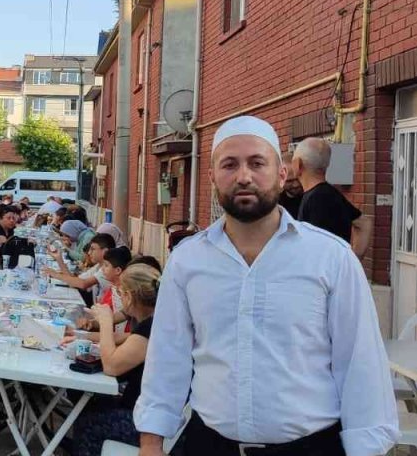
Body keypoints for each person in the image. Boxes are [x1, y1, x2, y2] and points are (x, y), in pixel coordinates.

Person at [133, 116, 398, 456]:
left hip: (309, 448)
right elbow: (167, 356)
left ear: (283, 173)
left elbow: (360, 363)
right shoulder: (188, 261)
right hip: (208, 445)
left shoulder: (330, 258)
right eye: (229, 164)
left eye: (257, 163)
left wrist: (366, 447)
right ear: (212, 176)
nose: (244, 176)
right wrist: (151, 441)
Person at [69, 264, 160, 455]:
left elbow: (111, 366)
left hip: (149, 424)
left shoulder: (152, 327)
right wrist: (77, 335)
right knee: (84, 400)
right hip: (148, 413)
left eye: (120, 292)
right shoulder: (154, 322)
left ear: (129, 296)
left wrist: (105, 321)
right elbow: (121, 340)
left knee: (88, 422)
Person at [293, 137, 367, 258]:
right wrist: (353, 260)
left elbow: (314, 250)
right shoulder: (330, 193)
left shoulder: (316, 199)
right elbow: (364, 223)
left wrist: (353, 261)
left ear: (298, 164)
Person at [44, 233, 116, 301]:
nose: (89, 252)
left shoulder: (107, 270)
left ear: (105, 252)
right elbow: (76, 281)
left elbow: (83, 284)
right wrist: (59, 259)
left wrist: (56, 275)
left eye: (93, 249)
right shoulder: (98, 266)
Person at [278, 151, 304, 216]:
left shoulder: (314, 199)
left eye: (298, 179)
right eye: (289, 181)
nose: (296, 185)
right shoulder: (275, 205)